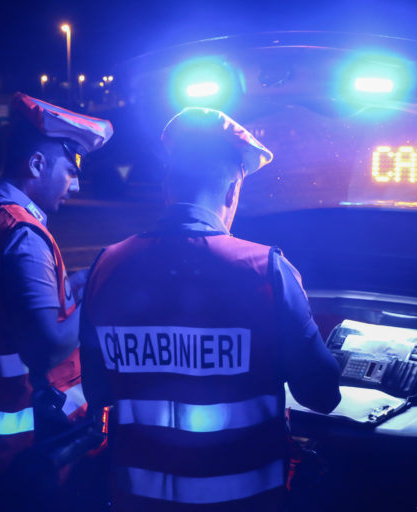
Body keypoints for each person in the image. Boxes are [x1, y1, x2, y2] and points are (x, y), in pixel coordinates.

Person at [79, 107, 342, 511]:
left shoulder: (108, 265)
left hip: (137, 500)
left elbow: (96, 390)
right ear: (232, 189)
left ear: (168, 186)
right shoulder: (266, 270)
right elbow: (322, 395)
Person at [0, 92, 113, 511]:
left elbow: (0, 302)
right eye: (70, 170)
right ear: (36, 165)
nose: (76, 183)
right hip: (26, 442)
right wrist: (98, 297)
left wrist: (69, 286)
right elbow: (48, 345)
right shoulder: (22, 234)